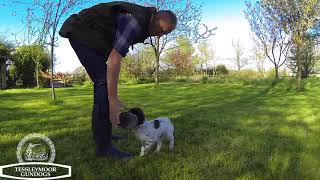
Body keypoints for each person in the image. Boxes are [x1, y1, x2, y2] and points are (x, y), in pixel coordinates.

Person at [59, 1, 177, 159]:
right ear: (157, 18)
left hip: (93, 39)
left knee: (103, 84)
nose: (161, 35)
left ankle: (103, 134)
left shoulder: (143, 23)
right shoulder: (134, 22)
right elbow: (114, 58)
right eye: (162, 30)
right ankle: (104, 148)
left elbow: (114, 51)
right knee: (103, 82)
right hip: (81, 33)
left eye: (165, 34)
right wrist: (113, 99)